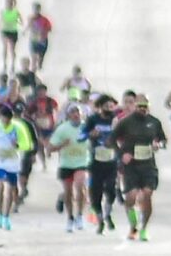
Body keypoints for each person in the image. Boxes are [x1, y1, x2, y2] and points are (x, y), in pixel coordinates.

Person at [111, 94, 167, 242]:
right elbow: (111, 140)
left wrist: (158, 145)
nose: (142, 109)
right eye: (140, 106)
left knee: (147, 194)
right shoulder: (126, 122)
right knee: (132, 196)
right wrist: (121, 154)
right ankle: (133, 225)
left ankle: (144, 229)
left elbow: (163, 139)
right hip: (131, 166)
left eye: (145, 106)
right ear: (135, 106)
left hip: (148, 164)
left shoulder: (154, 122)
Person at [0, 105, 34, 230]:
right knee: (1, 187)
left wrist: (17, 145)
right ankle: (0, 213)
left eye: (8, 120)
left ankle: (6, 216)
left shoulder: (18, 127)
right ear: (0, 117)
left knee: (10, 189)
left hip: (13, 163)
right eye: (4, 119)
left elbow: (27, 144)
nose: (6, 122)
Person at [48, 104, 91, 232]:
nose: (75, 114)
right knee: (68, 192)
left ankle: (80, 216)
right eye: (72, 112)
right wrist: (62, 145)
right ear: (68, 115)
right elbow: (50, 148)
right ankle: (70, 217)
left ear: (81, 114)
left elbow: (96, 142)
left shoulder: (86, 127)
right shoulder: (62, 129)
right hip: (66, 164)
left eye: (77, 112)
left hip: (82, 162)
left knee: (80, 185)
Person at [85, 94, 119, 234]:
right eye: (106, 106)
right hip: (96, 162)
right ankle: (100, 221)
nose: (109, 109)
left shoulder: (116, 120)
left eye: (111, 106)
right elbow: (82, 134)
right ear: (100, 107)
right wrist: (90, 134)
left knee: (111, 190)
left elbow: (122, 137)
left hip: (111, 162)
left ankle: (107, 213)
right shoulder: (93, 119)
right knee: (95, 194)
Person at [27, 84, 59, 170]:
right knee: (39, 145)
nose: (41, 93)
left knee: (48, 141)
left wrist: (56, 121)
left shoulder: (51, 101)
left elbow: (57, 111)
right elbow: (28, 113)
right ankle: (44, 163)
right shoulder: (34, 102)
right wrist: (34, 118)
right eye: (39, 91)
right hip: (38, 125)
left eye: (43, 91)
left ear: (45, 91)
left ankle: (48, 150)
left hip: (50, 125)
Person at [27, 3, 53, 71]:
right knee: (33, 58)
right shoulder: (30, 18)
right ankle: (33, 71)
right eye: (34, 9)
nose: (36, 10)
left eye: (37, 9)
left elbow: (50, 28)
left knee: (41, 58)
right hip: (33, 40)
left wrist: (43, 30)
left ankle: (39, 68)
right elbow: (28, 27)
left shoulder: (44, 19)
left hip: (42, 40)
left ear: (39, 9)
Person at [0, 4, 22, 73]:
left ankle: (12, 64)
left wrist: (16, 21)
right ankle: (4, 64)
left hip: (13, 32)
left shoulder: (16, 12)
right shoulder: (3, 12)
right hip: (5, 31)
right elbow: (1, 21)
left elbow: (21, 22)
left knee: (12, 49)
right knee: (5, 47)